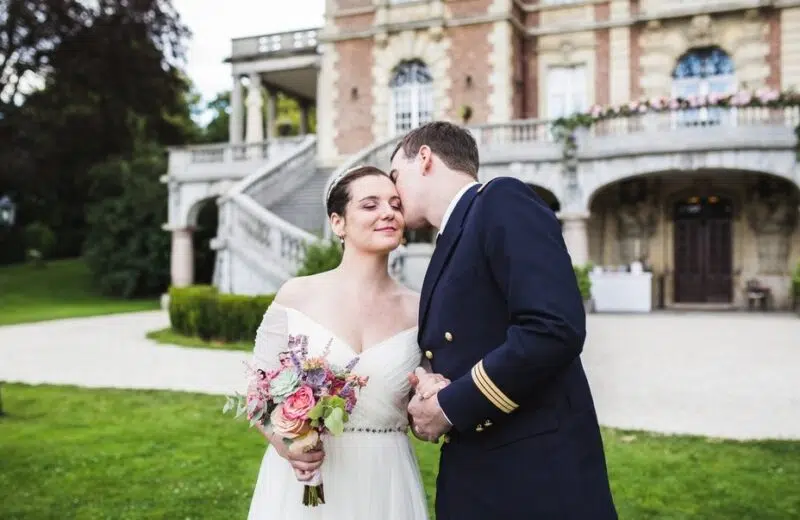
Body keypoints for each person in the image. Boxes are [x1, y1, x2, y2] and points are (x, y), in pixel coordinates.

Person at [391, 122, 618, 519]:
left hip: (534, 476)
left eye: (396, 177)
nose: (393, 194)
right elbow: (464, 341)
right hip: (482, 471)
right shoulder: (452, 236)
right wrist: (430, 381)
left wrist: (449, 406)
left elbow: (553, 328)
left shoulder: (499, 199)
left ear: (424, 158)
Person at [245, 166, 434, 519]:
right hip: (305, 485)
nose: (388, 212)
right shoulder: (296, 295)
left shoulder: (421, 309)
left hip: (385, 480)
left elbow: (424, 417)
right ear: (338, 223)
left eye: (395, 204)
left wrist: (433, 397)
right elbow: (257, 393)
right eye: (370, 205)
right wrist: (288, 446)